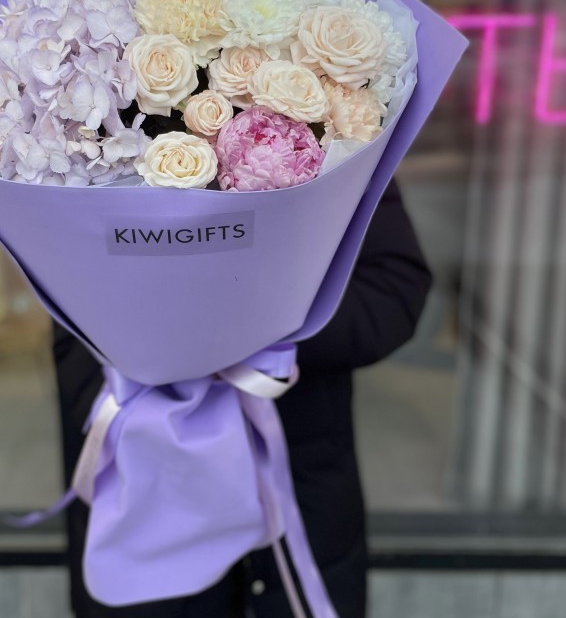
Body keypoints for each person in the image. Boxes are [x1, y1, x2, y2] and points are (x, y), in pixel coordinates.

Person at [53, 179, 431, 618]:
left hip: (303, 485)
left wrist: (252, 336)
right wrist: (151, 361)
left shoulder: (339, 151)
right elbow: (67, 317)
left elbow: (393, 289)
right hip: (147, 499)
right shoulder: (87, 157)